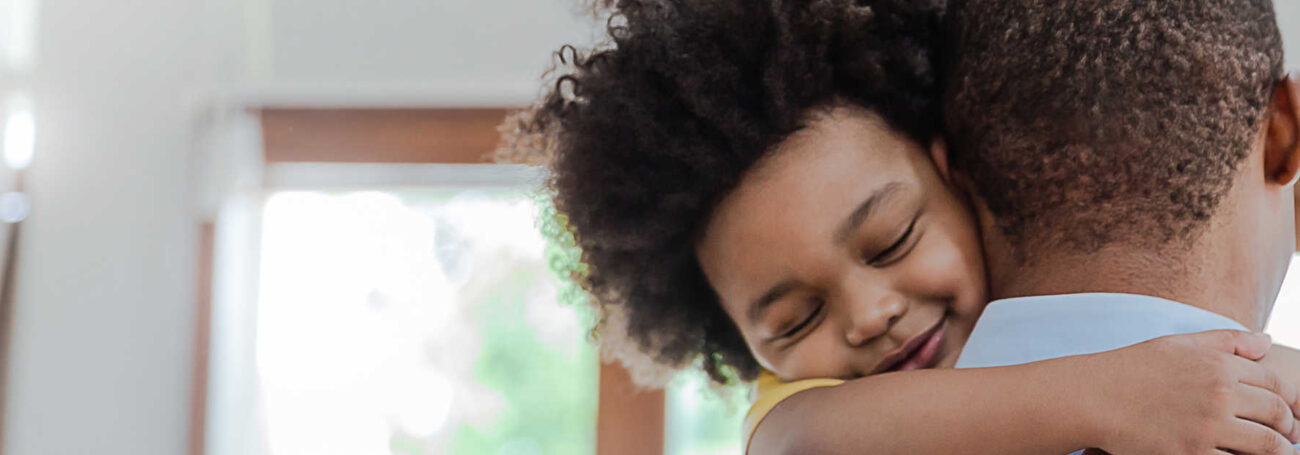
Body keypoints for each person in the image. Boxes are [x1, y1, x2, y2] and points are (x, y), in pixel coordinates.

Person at [506, 0, 1300, 453]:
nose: (869, 314)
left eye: (891, 241)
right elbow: (795, 444)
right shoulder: (801, 408)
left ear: (957, 175)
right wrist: (1114, 393)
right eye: (795, 319)